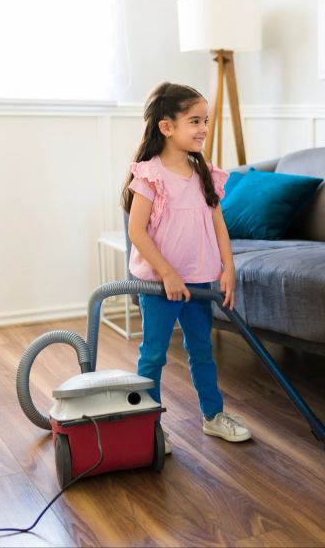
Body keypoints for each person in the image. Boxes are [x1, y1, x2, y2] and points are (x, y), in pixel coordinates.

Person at [121, 82, 251, 446]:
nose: (204, 128)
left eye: (205, 120)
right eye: (195, 121)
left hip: (200, 283)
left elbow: (218, 223)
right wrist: (167, 273)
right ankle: (146, 427)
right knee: (153, 355)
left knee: (202, 352)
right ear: (166, 127)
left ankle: (213, 415)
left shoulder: (204, 172)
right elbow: (136, 230)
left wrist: (228, 267)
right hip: (160, 286)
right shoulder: (150, 175)